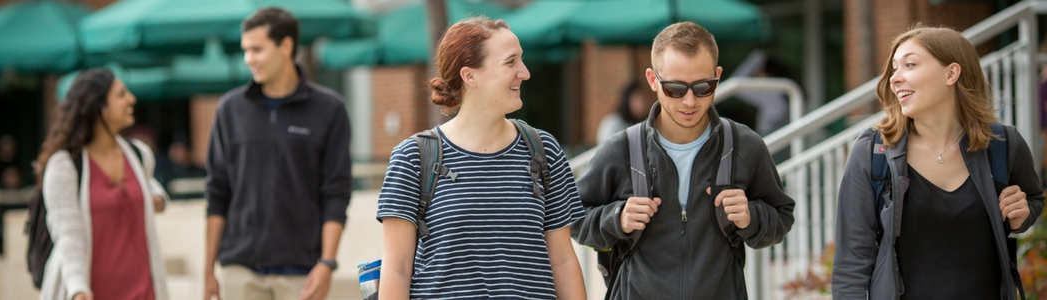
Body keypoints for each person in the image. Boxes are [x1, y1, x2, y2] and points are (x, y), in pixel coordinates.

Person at [570, 21, 796, 299]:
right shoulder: (621, 149)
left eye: (703, 87)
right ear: (653, 80)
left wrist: (751, 217)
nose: (689, 101)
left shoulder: (745, 145)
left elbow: (782, 217)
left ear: (718, 76)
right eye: (675, 89)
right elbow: (573, 217)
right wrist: (617, 218)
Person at [376, 16, 587, 300]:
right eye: (510, 62)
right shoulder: (413, 158)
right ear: (470, 76)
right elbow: (397, 270)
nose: (524, 72)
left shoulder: (544, 150)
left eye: (521, 60)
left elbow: (562, 260)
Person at [832, 25, 1045, 299]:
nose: (895, 78)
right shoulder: (873, 151)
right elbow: (852, 261)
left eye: (910, 64)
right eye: (894, 68)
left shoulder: (1004, 144)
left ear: (951, 73)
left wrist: (1021, 214)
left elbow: (1033, 200)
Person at [204, 7, 352, 300]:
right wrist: (208, 271)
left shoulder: (329, 110)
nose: (249, 59)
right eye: (246, 50)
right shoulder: (230, 110)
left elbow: (336, 192)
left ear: (285, 46)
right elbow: (217, 191)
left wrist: (327, 263)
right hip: (239, 271)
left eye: (257, 49)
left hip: (302, 273)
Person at [35, 68, 170, 300]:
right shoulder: (64, 166)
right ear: (98, 107)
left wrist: (157, 198)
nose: (131, 99)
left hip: (144, 291)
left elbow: (148, 183)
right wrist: (78, 288)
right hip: (92, 293)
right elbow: (67, 234)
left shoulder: (139, 154)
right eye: (121, 94)